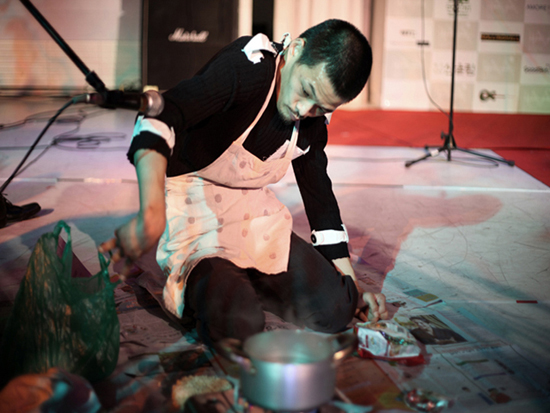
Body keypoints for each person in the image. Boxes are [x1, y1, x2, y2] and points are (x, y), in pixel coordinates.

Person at [100, 19, 389, 346]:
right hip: (190, 206)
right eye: (306, 91)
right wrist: (150, 216)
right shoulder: (248, 69)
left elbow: (320, 200)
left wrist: (352, 290)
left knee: (337, 309)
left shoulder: (313, 121)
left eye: (321, 107)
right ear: (296, 50)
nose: (303, 109)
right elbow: (157, 115)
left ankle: (240, 281)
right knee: (240, 323)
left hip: (251, 213)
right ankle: (211, 283)